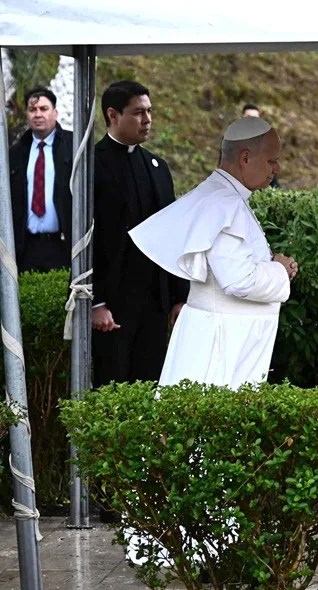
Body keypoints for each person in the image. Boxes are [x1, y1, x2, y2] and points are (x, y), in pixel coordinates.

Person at [129, 117, 297, 388]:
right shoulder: (222, 203)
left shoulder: (223, 197)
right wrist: (280, 270)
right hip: (222, 342)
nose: (277, 168)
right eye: (271, 160)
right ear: (245, 158)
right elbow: (239, 280)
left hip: (224, 334)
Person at [92, 80, 189, 387]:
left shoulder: (157, 167)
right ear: (113, 115)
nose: (147, 120)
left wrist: (178, 296)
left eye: (149, 111)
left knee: (150, 386)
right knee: (113, 385)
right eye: (138, 113)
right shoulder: (92, 165)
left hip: (155, 301)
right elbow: (87, 237)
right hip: (114, 305)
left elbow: (172, 234)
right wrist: (97, 301)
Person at [8, 87, 73, 271]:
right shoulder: (16, 152)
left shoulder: (73, 146)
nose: (38, 114)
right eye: (32, 109)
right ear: (27, 115)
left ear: (55, 112)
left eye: (43, 109)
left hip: (63, 246)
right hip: (25, 248)